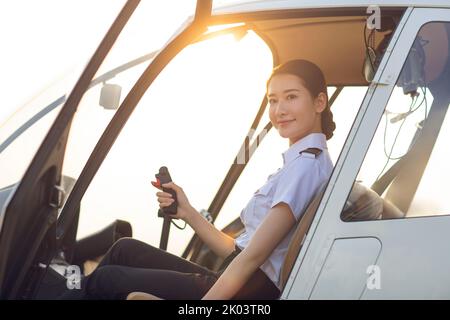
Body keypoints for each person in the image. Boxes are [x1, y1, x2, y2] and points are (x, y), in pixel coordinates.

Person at [59, 59, 335, 300]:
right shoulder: (304, 164)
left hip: (245, 290)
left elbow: (253, 258)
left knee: (106, 280)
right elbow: (237, 250)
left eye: (291, 97)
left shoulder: (305, 167)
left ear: (319, 102)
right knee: (124, 249)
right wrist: (187, 211)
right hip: (239, 279)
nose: (279, 110)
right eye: (273, 100)